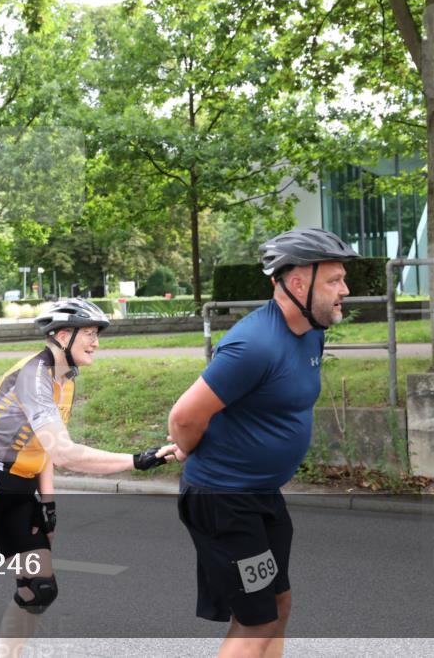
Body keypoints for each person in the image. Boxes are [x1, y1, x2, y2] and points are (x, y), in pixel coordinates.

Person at [0, 298, 176, 658]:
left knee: (38, 588)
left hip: (19, 486)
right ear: (63, 335)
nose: (96, 342)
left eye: (96, 335)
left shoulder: (65, 378)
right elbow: (64, 452)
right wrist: (138, 460)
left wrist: (47, 505)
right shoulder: (35, 376)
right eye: (89, 334)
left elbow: (44, 447)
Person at [165, 228, 358, 658]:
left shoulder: (311, 330)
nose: (345, 290)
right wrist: (189, 447)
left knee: (277, 603)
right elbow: (183, 416)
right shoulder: (253, 344)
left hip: (261, 498)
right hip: (225, 501)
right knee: (258, 620)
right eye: (334, 280)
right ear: (296, 283)